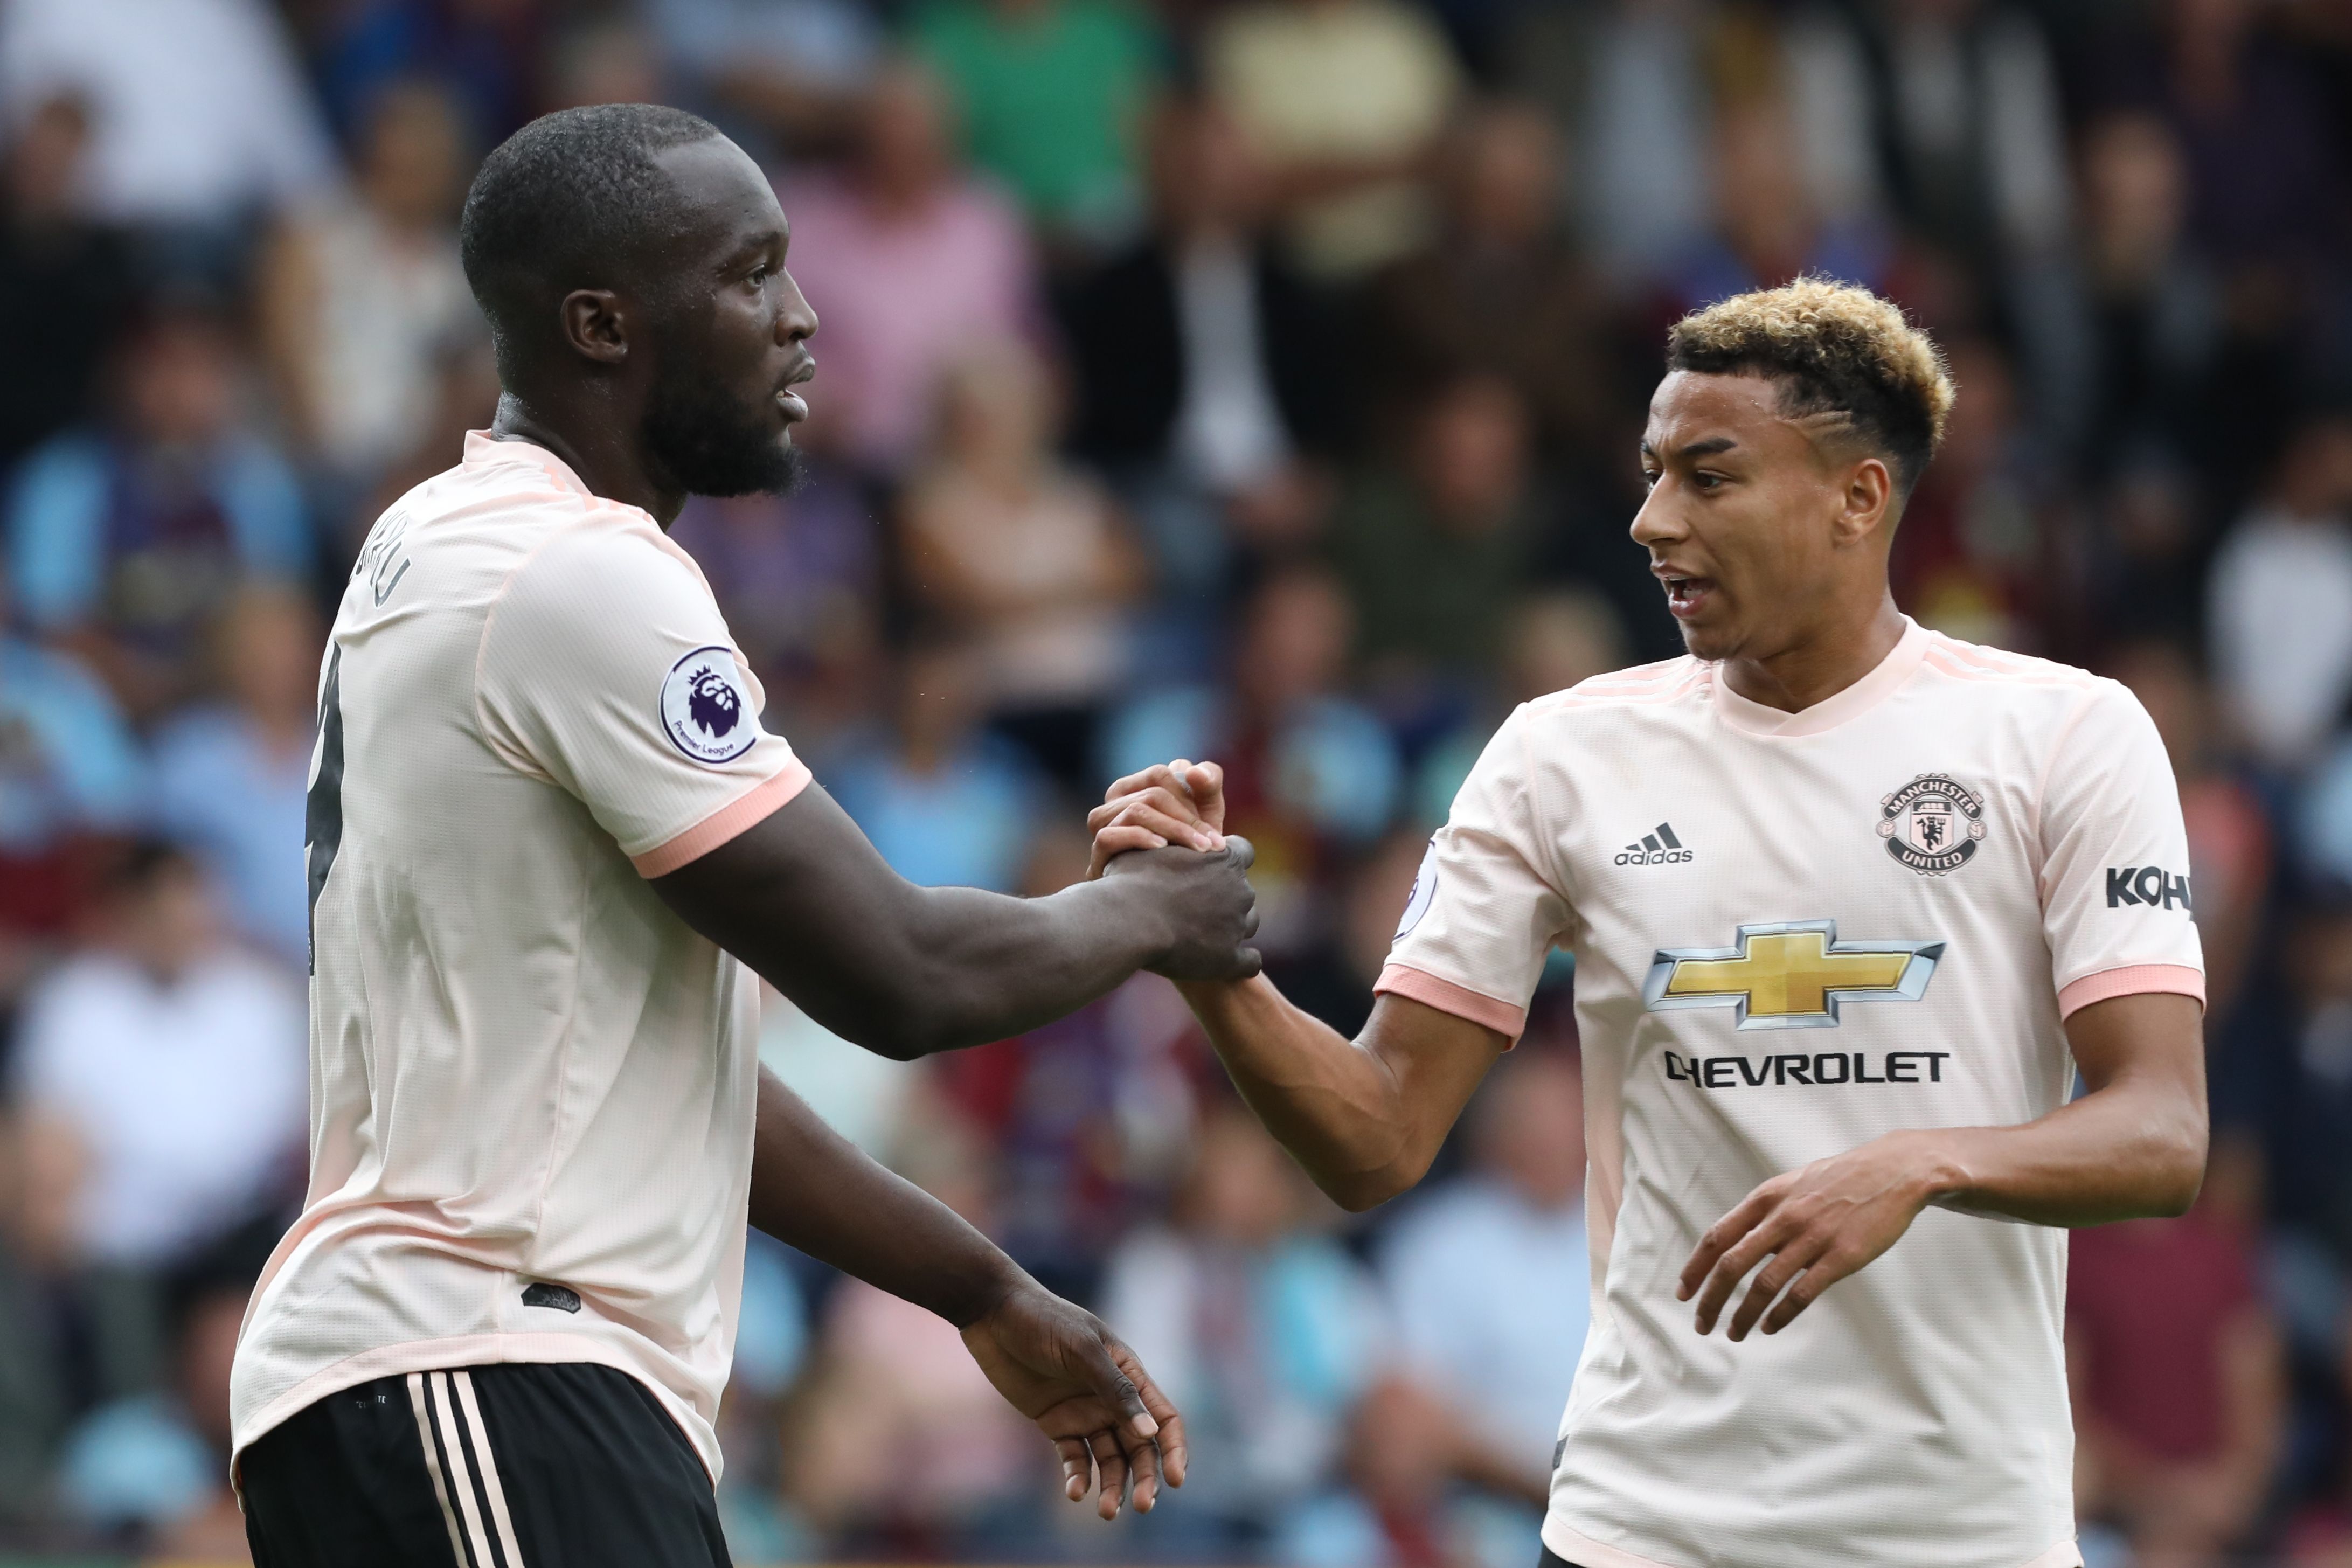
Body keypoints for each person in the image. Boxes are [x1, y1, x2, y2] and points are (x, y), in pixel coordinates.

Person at [228, 104, 1261, 1567]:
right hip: (490, 1361)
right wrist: (1161, 913)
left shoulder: (445, 539)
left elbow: (669, 1070)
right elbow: (901, 972)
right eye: (750, 274)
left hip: (453, 1374)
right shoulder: (572, 572)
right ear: (601, 323)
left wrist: (979, 1285)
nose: (802, 317)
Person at [1093, 277, 2209, 1566]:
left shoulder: (2063, 733)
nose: (1648, 520)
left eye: (1707, 478)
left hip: (1958, 1530)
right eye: (1649, 475)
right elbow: (1377, 1141)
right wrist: (1210, 962)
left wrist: (1920, 1163)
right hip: (1645, 1526)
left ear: (1857, 498)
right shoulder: (1559, 757)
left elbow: (2161, 1132)